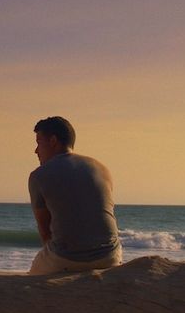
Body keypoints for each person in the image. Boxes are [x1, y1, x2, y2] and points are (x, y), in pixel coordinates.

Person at [27, 116, 122, 275]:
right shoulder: (102, 168)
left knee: (32, 277)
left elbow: (45, 232)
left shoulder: (39, 175)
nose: (36, 150)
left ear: (53, 141)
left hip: (66, 260)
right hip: (110, 257)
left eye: (38, 142)